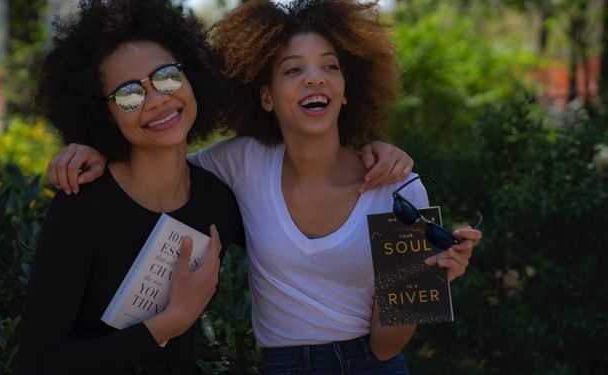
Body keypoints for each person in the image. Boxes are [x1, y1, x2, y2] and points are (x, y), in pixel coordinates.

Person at [45, 0, 482, 374]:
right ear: (267, 96)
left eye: (330, 66)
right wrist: (100, 148)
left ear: (347, 89)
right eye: (293, 70)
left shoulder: (400, 189)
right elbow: (160, 160)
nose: (315, 78)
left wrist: (428, 272)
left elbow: (387, 346)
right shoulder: (242, 161)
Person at [17, 1, 245, 374]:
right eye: (128, 95)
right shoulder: (83, 205)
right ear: (100, 112)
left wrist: (373, 156)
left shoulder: (218, 200)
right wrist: (171, 321)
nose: (156, 99)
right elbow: (39, 364)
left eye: (167, 76)